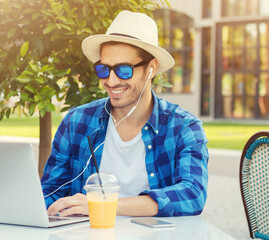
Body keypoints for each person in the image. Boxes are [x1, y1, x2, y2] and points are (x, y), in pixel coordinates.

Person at [41, 10, 209, 217]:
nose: (111, 81)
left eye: (124, 69)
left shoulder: (183, 127)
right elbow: (50, 193)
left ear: (151, 69)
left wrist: (105, 206)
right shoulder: (76, 122)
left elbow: (193, 194)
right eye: (104, 69)